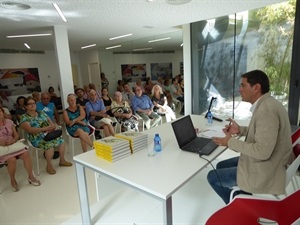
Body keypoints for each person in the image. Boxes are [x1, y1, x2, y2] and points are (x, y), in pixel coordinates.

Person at [207, 70, 293, 204]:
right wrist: (240, 130)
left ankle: (241, 205)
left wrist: (230, 142)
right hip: (272, 159)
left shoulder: (266, 111)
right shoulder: (267, 104)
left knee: (212, 177)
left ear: (256, 88)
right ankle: (243, 195)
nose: (240, 90)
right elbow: (263, 133)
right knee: (221, 165)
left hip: (268, 168)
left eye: (243, 86)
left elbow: (262, 151)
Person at [19, 97, 72, 175]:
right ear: (26, 106)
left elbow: (52, 123)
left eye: (33, 103)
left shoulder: (41, 113)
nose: (32, 105)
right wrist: (44, 128)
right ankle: (49, 166)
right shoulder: (24, 117)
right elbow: (29, 130)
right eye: (30, 104)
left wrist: (52, 127)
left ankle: (62, 160)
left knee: (62, 141)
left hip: (48, 134)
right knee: (49, 146)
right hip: (36, 138)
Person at [0, 106, 41, 191]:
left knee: (25, 154)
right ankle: (12, 179)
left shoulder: (9, 122)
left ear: (2, 112)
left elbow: (17, 135)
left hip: (14, 145)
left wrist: (13, 140)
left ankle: (31, 176)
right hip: (3, 150)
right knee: (12, 160)